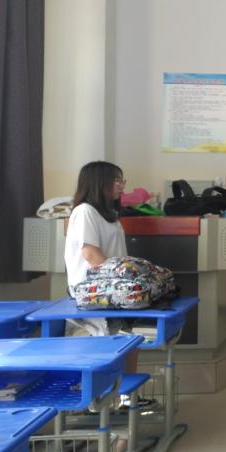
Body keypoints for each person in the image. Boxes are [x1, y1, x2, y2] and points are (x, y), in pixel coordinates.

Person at [64, 162, 140, 380]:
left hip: (112, 287)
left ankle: (126, 393)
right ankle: (107, 392)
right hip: (93, 290)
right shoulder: (84, 211)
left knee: (130, 339)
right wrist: (123, 279)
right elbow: (91, 254)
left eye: (122, 181)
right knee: (109, 343)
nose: (121, 186)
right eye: (117, 181)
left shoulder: (108, 214)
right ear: (99, 182)